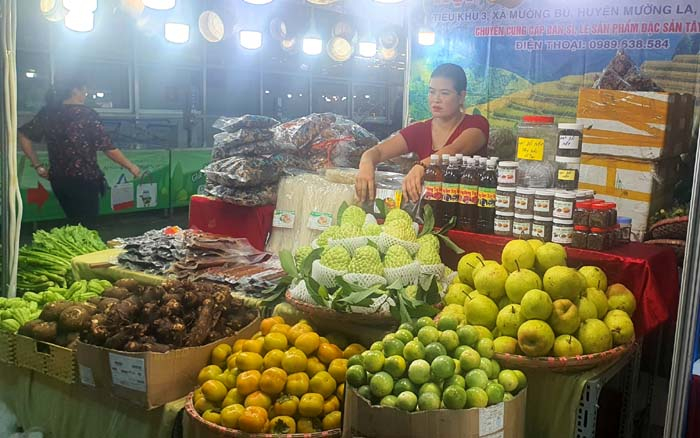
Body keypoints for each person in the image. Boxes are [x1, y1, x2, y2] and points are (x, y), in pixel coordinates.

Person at [355, 63, 489, 203]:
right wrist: (366, 162)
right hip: (428, 211)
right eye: (432, 92)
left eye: (444, 93)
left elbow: (456, 149)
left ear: (461, 96)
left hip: (469, 210)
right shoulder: (420, 130)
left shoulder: (477, 124)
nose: (436, 99)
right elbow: (378, 151)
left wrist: (421, 166)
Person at [18, 76, 140, 225]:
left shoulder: (48, 112)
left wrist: (38, 165)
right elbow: (108, 148)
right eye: (84, 90)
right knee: (86, 227)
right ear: (75, 90)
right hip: (84, 181)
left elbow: (23, 135)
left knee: (75, 222)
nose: (85, 94)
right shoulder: (86, 114)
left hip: (59, 180)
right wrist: (131, 166)